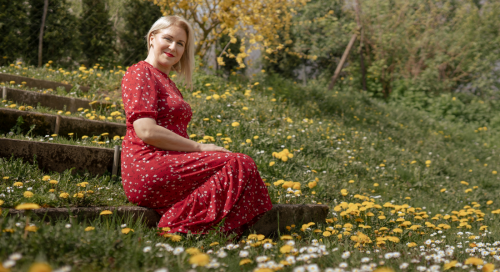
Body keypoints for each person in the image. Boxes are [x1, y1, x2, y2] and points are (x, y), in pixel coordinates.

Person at [120, 15, 273, 238]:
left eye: (180, 43)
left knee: (241, 168)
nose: (173, 47)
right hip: (148, 165)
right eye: (168, 39)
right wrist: (200, 148)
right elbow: (146, 131)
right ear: (152, 38)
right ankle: (175, 224)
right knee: (240, 163)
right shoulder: (140, 72)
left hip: (168, 162)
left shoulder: (168, 82)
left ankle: (208, 230)